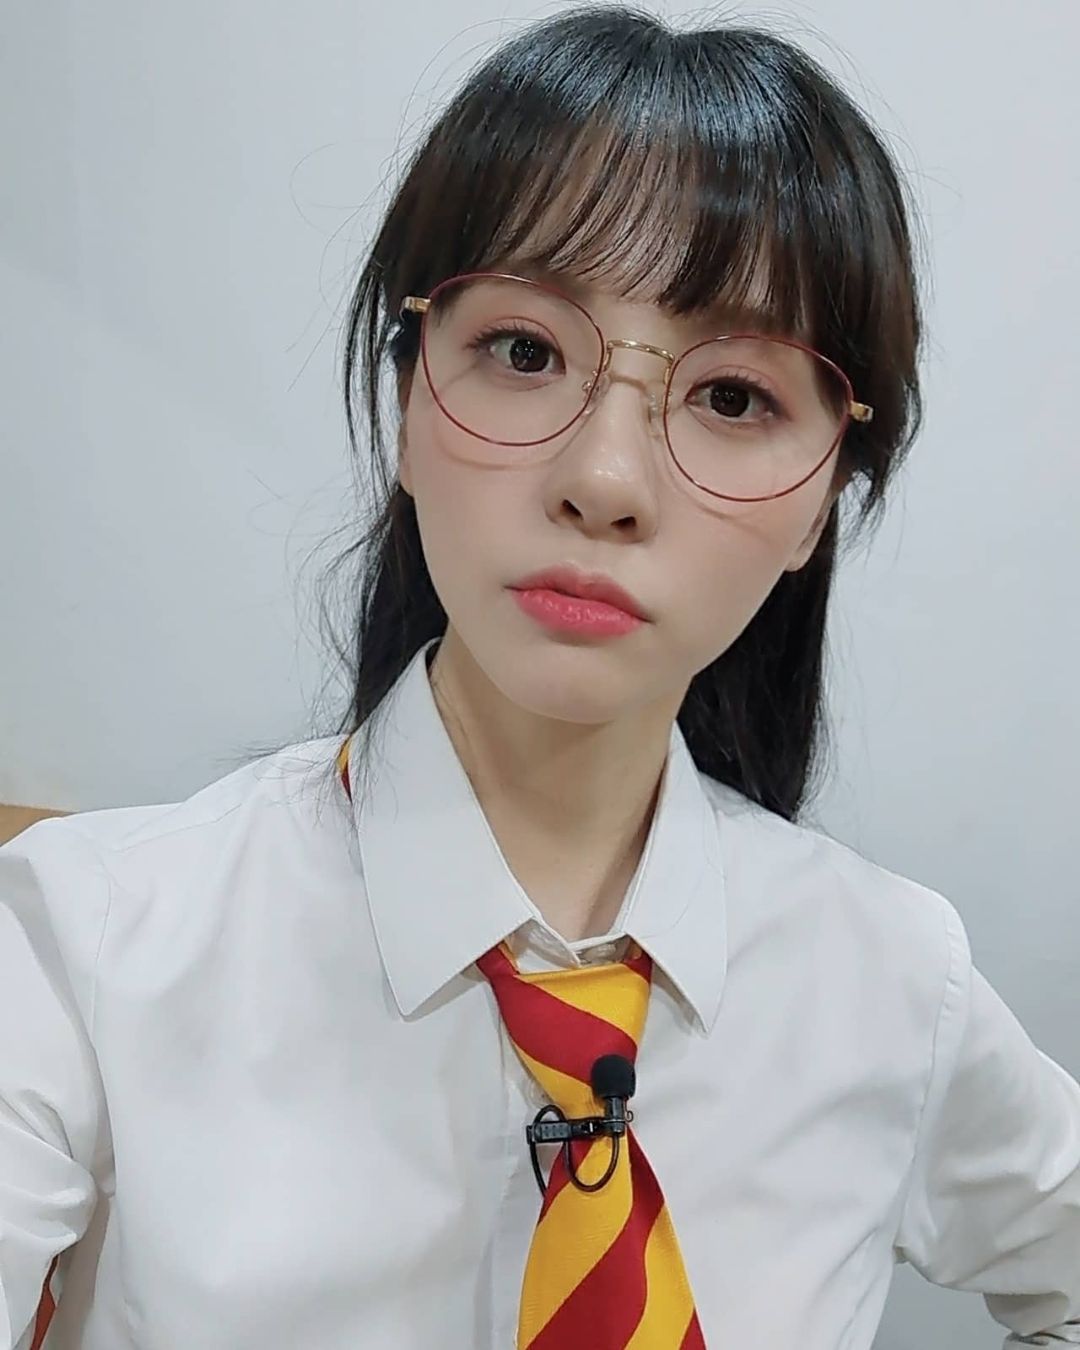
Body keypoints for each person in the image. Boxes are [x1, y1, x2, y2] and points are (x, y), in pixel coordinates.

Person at [2, 6, 1078, 1349]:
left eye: (734, 397)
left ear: (823, 502)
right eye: (524, 351)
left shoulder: (895, 983)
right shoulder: (86, 948)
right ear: (409, 402)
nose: (605, 480)